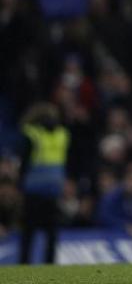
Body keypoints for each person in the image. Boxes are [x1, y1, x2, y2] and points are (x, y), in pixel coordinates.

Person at [18, 102, 69, 264]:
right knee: (52, 233)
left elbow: (24, 163)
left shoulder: (32, 134)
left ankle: (24, 265)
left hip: (33, 190)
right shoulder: (62, 134)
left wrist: (20, 182)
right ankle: (49, 266)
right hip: (54, 189)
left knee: (28, 233)